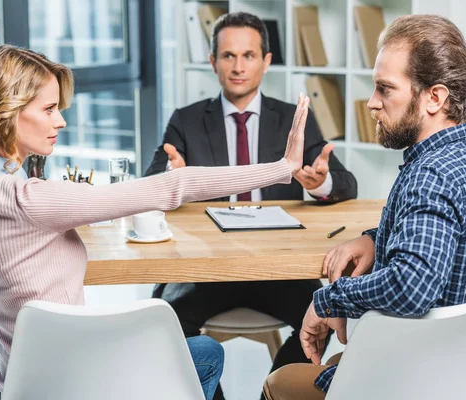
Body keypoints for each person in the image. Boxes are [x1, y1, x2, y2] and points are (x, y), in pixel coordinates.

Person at [0, 44, 311, 400]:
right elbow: (173, 186)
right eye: (49, 109)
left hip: (20, 382)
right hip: (82, 381)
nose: (61, 120)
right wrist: (281, 169)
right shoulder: (31, 200)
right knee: (206, 351)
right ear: (9, 111)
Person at [263, 14, 466, 400]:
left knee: (278, 382)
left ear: (435, 97)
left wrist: (326, 299)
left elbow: (412, 286)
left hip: (416, 378)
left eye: (385, 89)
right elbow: (442, 235)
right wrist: (375, 239)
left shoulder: (428, 175)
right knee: (336, 365)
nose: (371, 103)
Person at [145, 12, 357, 399]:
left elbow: (345, 183)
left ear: (266, 60)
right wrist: (169, 175)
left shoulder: (293, 119)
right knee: (162, 318)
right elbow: (154, 175)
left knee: (324, 313)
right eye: (228, 56)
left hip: (276, 268)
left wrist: (320, 181)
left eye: (248, 55)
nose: (238, 66)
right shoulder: (187, 120)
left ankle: (270, 395)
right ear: (213, 62)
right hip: (205, 270)